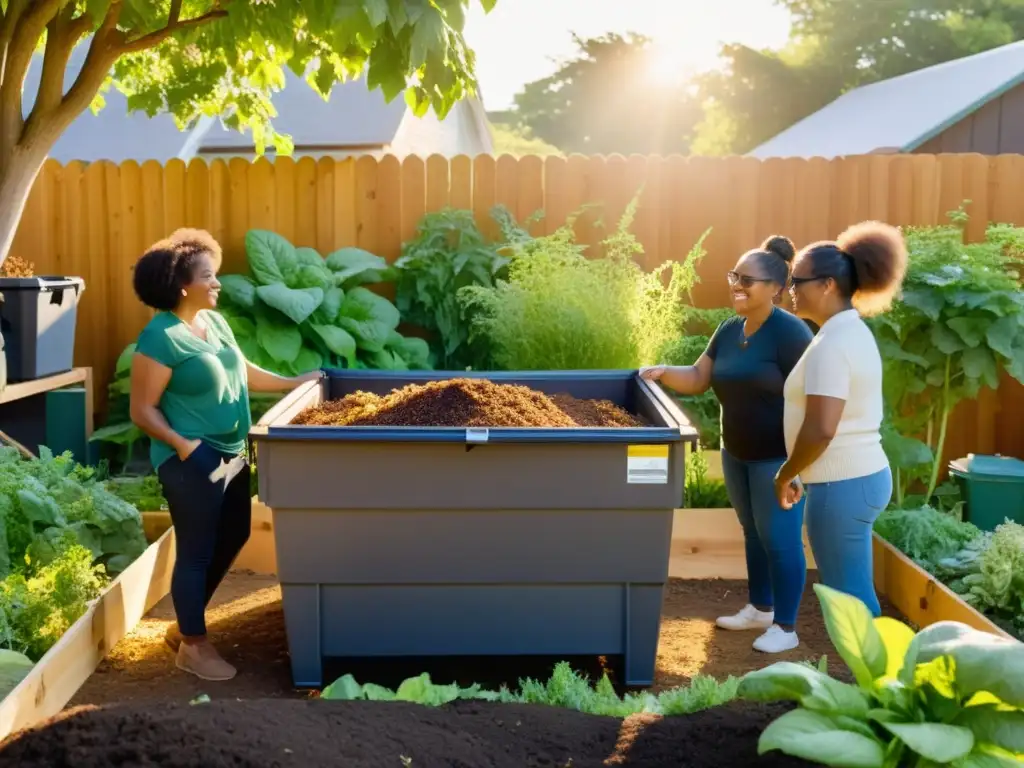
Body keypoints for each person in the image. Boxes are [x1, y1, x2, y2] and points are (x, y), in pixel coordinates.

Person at [129, 228, 322, 681]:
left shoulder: (213, 322)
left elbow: (246, 372)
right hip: (191, 460)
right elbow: (142, 409)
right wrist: (185, 447)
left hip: (234, 452)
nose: (218, 284)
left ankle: (185, 623)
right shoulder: (161, 338)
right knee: (196, 550)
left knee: (233, 534)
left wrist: (296, 381)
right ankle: (193, 646)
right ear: (183, 286)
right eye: (209, 276)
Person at [641, 235, 813, 653]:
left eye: (748, 280)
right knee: (752, 532)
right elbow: (699, 377)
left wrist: (800, 465)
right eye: (735, 276)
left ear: (775, 287)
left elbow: (816, 397)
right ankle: (760, 608)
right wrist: (663, 372)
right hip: (737, 452)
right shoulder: (729, 329)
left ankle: (786, 628)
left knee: (782, 539)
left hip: (778, 457)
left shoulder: (791, 333)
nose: (737, 284)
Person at [775, 221, 907, 617]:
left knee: (848, 601)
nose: (790, 290)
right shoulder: (843, 333)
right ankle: (871, 677)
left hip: (842, 485)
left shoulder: (833, 343)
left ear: (828, 284)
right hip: (850, 480)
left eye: (797, 281)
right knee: (852, 592)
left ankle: (871, 679)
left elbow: (821, 427)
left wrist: (785, 473)